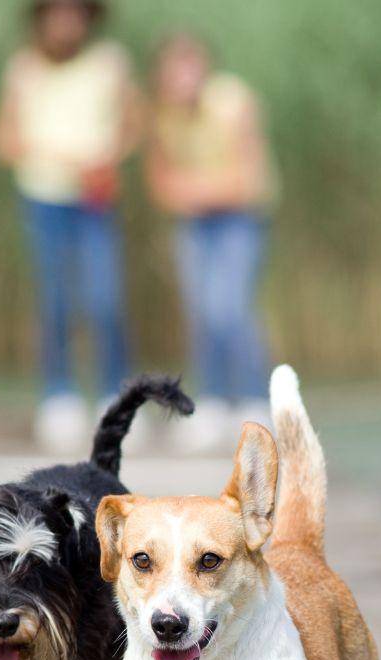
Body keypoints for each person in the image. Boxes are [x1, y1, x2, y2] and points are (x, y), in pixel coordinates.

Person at [0, 0, 141, 454]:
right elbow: (4, 138)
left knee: (105, 296)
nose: (67, 20)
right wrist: (61, 157)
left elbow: (134, 121)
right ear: (41, 17)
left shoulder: (109, 61)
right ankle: (58, 394)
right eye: (58, 11)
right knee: (53, 297)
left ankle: (119, 396)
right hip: (43, 196)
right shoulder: (23, 68)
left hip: (94, 197)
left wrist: (107, 156)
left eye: (76, 11)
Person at [147, 33, 277, 454]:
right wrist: (195, 191)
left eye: (189, 69)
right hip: (194, 224)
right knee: (201, 311)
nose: (182, 80)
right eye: (173, 72)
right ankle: (213, 402)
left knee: (231, 307)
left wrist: (196, 190)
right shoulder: (163, 115)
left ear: (204, 68)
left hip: (239, 220)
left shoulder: (234, 101)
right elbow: (161, 182)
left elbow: (247, 179)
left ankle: (257, 402)